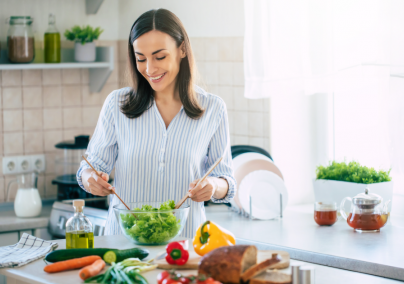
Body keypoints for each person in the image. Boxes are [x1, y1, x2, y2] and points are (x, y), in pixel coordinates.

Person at [77, 8, 236, 238]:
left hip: (184, 247)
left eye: (159, 57)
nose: (150, 69)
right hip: (124, 246)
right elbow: (88, 168)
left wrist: (213, 186)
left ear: (182, 49)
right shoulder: (116, 104)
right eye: (141, 59)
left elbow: (228, 182)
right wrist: (90, 179)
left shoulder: (213, 109)